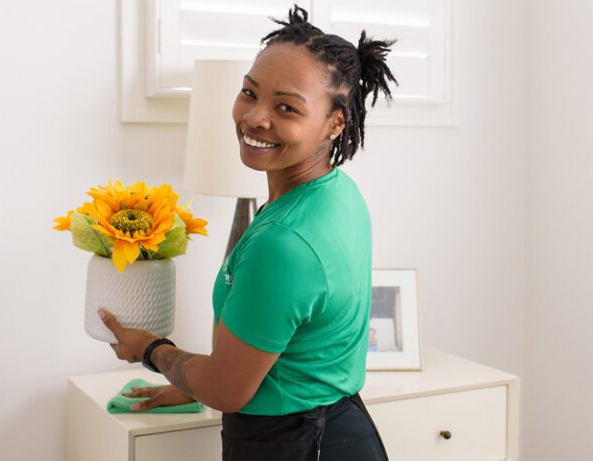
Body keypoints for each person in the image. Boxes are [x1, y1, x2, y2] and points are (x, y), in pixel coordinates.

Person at [97, 5, 397, 460]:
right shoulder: (338, 195)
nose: (255, 117)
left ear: (336, 123)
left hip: (293, 445)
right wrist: (202, 379)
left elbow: (227, 390)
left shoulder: (283, 243)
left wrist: (153, 351)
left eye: (286, 107)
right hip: (336, 429)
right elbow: (287, 353)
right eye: (249, 92)